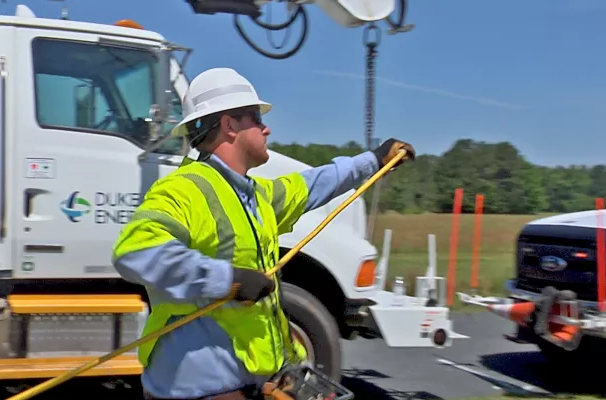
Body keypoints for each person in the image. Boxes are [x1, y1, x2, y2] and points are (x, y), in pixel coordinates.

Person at [111, 67, 415, 400]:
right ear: (229, 125)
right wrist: (228, 280)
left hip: (244, 384)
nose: (266, 127)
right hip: (199, 389)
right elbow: (135, 253)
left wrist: (373, 160)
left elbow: (314, 183)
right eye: (256, 118)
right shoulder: (182, 189)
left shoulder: (256, 196)